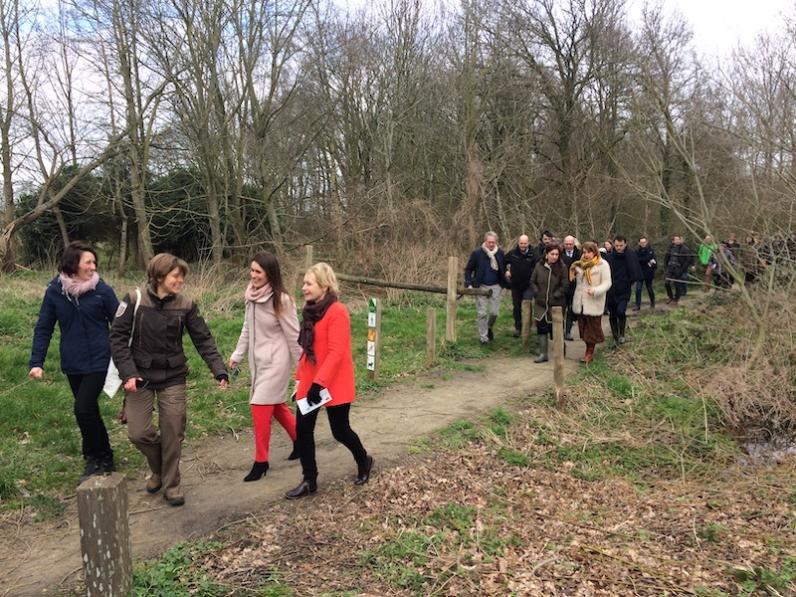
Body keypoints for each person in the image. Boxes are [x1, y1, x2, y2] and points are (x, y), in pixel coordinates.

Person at [110, 253, 228, 507]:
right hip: (139, 376)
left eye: (182, 276)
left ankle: (171, 483)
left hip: (173, 375)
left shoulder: (186, 305)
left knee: (173, 431)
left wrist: (218, 369)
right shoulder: (133, 299)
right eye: (176, 276)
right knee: (138, 432)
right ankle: (161, 469)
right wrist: (128, 373)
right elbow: (118, 340)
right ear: (160, 275)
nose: (181, 281)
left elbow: (203, 339)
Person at [29, 241, 120, 484]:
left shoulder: (103, 290)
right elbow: (44, 328)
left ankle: (92, 458)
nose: (93, 266)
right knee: (89, 411)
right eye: (88, 262)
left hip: (100, 360)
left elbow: (121, 326)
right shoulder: (55, 292)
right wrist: (36, 362)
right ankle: (106, 456)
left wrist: (125, 357)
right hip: (73, 362)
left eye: (94, 262)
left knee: (82, 409)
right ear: (73, 264)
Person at [285, 262, 373, 499]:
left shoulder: (337, 311)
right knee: (303, 431)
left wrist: (319, 383)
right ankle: (309, 480)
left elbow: (337, 352)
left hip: (333, 382)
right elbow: (307, 351)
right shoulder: (310, 311)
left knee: (340, 431)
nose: (303, 287)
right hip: (311, 381)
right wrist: (299, 381)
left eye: (308, 283)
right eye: (304, 283)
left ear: (324, 285)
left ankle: (364, 460)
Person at [229, 252, 302, 483]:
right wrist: (237, 356)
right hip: (258, 363)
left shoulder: (281, 300)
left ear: (270, 273)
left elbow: (294, 336)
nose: (253, 275)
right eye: (251, 270)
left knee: (259, 405)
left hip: (277, 363)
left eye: (258, 272)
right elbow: (247, 329)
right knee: (277, 406)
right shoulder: (251, 296)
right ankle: (301, 442)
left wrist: (302, 371)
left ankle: (261, 462)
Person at [569, 241, 612, 364]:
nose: (586, 254)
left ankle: (589, 353)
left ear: (595, 252)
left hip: (594, 301)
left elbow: (607, 283)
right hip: (581, 301)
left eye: (589, 252)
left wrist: (595, 290)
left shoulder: (603, 265)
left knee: (592, 328)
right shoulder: (579, 265)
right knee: (582, 328)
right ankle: (588, 349)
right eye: (584, 252)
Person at [464, 231, 509, 345]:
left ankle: (488, 328)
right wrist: (469, 283)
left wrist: (507, 275)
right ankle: (483, 338)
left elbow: (504, 267)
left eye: (493, 242)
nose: (491, 244)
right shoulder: (477, 253)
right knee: (482, 313)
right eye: (489, 242)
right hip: (481, 285)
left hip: (496, 285)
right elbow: (468, 269)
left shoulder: (500, 253)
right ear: (485, 241)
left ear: (496, 242)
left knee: (494, 313)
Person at [530, 244, 569, 363]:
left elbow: (565, 284)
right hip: (541, 303)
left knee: (556, 329)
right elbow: (532, 281)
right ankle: (543, 354)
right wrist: (536, 292)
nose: (554, 256)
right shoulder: (539, 266)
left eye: (557, 254)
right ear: (546, 254)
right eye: (552, 254)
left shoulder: (562, 267)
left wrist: (556, 295)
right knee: (542, 328)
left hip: (556, 304)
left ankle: (560, 351)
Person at [605, 235, 642, 345]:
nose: (619, 248)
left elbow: (635, 271)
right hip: (611, 290)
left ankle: (622, 334)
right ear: (613, 245)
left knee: (621, 311)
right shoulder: (609, 257)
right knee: (612, 314)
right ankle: (615, 336)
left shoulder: (630, 256)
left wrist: (630, 282)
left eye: (621, 245)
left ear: (625, 244)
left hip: (624, 289)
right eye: (617, 245)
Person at [505, 234, 537, 337]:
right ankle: (518, 328)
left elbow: (538, 267)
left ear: (528, 243)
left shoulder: (533, 254)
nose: (523, 245)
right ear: (518, 243)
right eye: (521, 243)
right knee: (517, 307)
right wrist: (506, 271)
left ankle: (527, 328)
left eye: (525, 243)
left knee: (527, 305)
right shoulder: (512, 253)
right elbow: (503, 262)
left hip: (528, 285)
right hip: (515, 285)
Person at [664, 234, 695, 305]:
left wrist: (682, 269)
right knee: (666, 283)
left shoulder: (685, 249)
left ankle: (676, 299)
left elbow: (688, 259)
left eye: (678, 239)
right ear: (673, 241)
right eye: (676, 240)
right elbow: (666, 258)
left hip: (678, 268)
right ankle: (670, 296)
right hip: (670, 267)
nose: (677, 241)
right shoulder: (670, 248)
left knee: (677, 284)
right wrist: (665, 267)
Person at [561, 235, 581, 340]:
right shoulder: (559, 254)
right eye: (567, 244)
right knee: (561, 310)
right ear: (564, 244)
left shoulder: (580, 254)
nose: (569, 246)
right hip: (563, 286)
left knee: (571, 310)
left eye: (570, 244)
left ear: (574, 244)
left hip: (575, 286)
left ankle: (567, 332)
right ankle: (559, 332)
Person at [633, 236, 657, 310]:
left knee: (649, 288)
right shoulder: (636, 251)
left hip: (648, 273)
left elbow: (649, 259)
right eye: (641, 242)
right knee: (638, 289)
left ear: (647, 242)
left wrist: (642, 260)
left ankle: (652, 302)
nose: (643, 244)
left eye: (644, 242)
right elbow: (636, 260)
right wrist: (644, 260)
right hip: (640, 272)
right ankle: (637, 305)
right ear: (639, 243)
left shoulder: (651, 250)